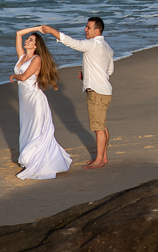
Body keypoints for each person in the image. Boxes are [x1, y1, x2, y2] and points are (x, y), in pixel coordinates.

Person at [36, 17, 114, 169]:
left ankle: (99, 160)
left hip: (97, 92)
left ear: (97, 30)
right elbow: (109, 71)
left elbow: (72, 43)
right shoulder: (108, 48)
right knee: (102, 125)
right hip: (104, 90)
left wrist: (52, 31)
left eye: (88, 27)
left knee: (99, 127)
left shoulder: (92, 44)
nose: (85, 30)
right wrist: (88, 74)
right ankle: (103, 157)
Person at [9, 28, 72, 180]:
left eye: (31, 40)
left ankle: (34, 159)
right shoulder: (22, 57)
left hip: (35, 100)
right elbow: (18, 33)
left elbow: (23, 77)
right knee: (27, 128)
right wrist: (37, 29)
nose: (27, 41)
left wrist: (13, 75)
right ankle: (29, 159)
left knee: (37, 131)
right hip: (25, 101)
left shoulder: (36, 59)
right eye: (28, 39)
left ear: (36, 46)